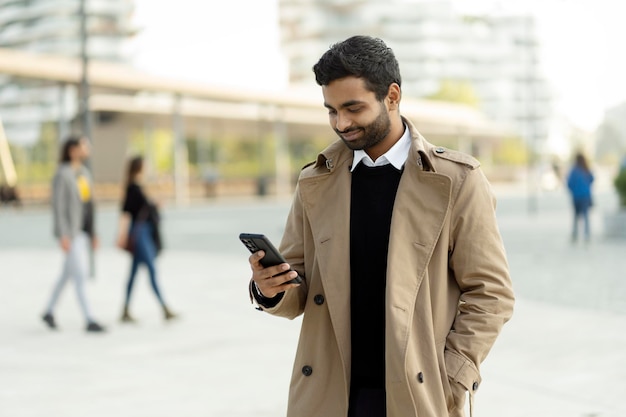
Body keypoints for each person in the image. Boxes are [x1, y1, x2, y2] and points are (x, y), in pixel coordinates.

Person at [246, 36, 514, 417]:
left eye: (353, 108)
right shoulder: (314, 181)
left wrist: (453, 373)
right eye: (332, 111)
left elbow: (492, 293)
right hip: (330, 396)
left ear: (392, 95)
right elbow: (297, 289)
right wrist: (269, 289)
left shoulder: (456, 180)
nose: (342, 123)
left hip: (418, 395)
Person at [42, 135, 105, 332]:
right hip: (71, 233)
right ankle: (89, 318)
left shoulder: (84, 173)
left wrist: (94, 232)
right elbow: (59, 206)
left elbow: (88, 205)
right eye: (84, 146)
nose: (88, 149)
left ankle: (49, 311)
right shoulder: (63, 174)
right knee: (80, 275)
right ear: (73, 150)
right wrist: (63, 235)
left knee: (66, 275)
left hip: (83, 232)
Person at [116, 156, 176, 322]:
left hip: (145, 232)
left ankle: (125, 310)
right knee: (151, 269)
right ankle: (164, 308)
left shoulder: (140, 187)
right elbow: (125, 213)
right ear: (139, 167)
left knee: (134, 273)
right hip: (140, 233)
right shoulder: (133, 188)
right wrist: (121, 235)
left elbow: (153, 206)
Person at [566, 152, 594, 243]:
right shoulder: (586, 169)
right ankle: (586, 234)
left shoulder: (574, 170)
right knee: (586, 216)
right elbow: (592, 179)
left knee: (575, 216)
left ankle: (575, 234)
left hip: (576, 197)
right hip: (585, 196)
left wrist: (574, 190)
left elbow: (569, 183)